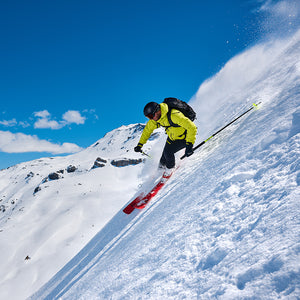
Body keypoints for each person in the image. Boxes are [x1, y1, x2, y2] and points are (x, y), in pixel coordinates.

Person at [134, 101, 197, 173]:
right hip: (172, 138)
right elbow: (147, 131)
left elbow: (192, 127)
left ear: (157, 111)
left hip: (184, 138)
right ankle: (160, 170)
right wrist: (140, 145)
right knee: (163, 158)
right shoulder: (156, 119)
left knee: (168, 152)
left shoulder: (174, 115)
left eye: (151, 116)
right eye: (148, 117)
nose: (151, 119)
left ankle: (170, 170)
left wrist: (189, 145)